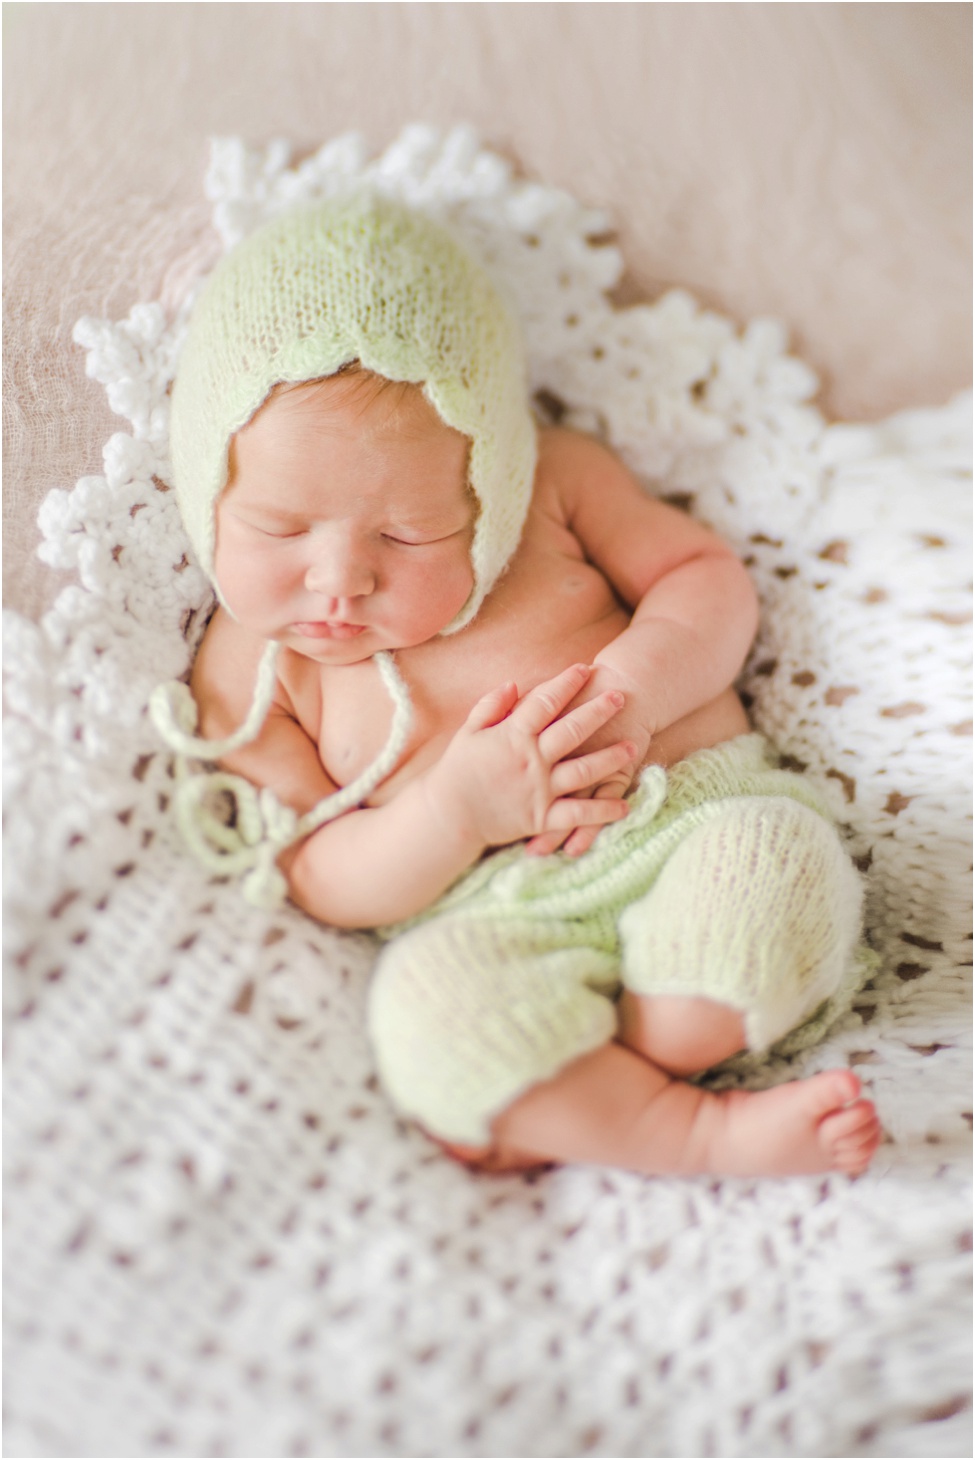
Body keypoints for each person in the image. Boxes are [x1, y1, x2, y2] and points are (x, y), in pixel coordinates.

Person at [153, 193, 881, 1179]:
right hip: (491, 921)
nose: (340, 577)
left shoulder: (558, 485)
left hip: (685, 823)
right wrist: (456, 810)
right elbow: (314, 873)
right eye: (280, 530)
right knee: (425, 1009)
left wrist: (634, 691)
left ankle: (617, 1067)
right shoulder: (249, 666)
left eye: (408, 535)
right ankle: (690, 1132)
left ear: (493, 468)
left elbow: (703, 580)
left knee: (776, 860)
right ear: (207, 489)